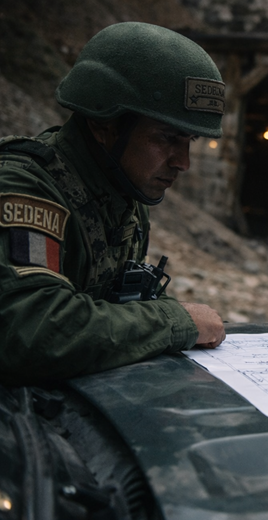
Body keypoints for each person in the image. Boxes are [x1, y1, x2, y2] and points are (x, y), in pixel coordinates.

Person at [0, 22, 227, 385]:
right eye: (167, 138)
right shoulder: (25, 189)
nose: (183, 162)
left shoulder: (123, 195)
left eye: (190, 141)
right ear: (103, 125)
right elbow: (31, 330)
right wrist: (174, 321)